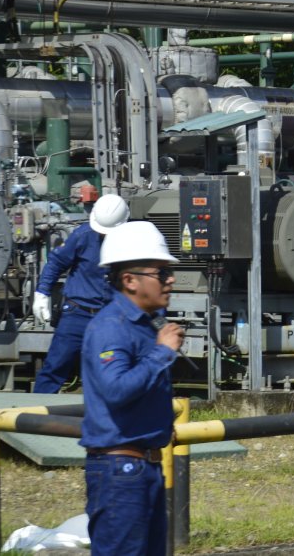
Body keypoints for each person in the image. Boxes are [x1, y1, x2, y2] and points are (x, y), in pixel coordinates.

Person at [80, 220, 184, 555]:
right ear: (129, 280)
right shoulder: (112, 327)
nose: (170, 280)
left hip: (143, 467)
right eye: (161, 273)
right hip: (120, 473)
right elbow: (116, 389)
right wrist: (162, 352)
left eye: (169, 272)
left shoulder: (145, 324)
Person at [32, 193, 130, 393]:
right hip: (77, 313)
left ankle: (106, 410)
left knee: (110, 370)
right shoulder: (82, 235)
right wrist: (41, 293)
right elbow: (56, 263)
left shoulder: (133, 241)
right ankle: (37, 407)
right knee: (56, 366)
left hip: (110, 317)